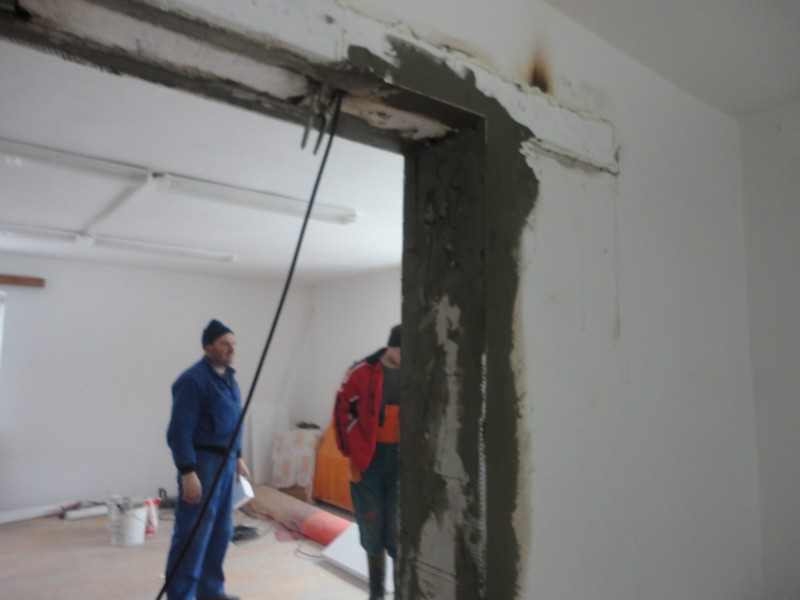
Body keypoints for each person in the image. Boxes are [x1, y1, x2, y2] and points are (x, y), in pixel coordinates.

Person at [165, 319, 251, 600]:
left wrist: (238, 456)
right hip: (203, 465)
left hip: (226, 465)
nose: (231, 349)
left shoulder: (229, 379)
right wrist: (187, 472)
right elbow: (179, 431)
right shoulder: (193, 380)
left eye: (233, 344)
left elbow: (233, 421)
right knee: (194, 534)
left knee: (220, 532)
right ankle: (182, 596)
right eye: (225, 344)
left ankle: (211, 591)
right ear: (207, 347)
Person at [334, 324, 401, 600]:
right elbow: (342, 411)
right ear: (392, 347)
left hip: (402, 462)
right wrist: (350, 453)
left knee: (398, 529)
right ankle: (376, 594)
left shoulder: (418, 373)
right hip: (368, 460)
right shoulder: (361, 372)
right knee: (372, 526)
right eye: (403, 352)